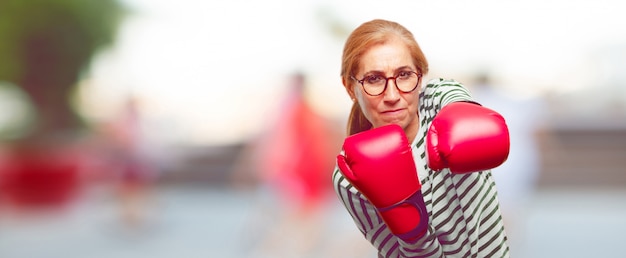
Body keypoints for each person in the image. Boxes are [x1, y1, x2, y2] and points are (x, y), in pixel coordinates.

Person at [332, 19, 511, 257]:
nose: (393, 95)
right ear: (349, 87)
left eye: (404, 75)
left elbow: (454, 96)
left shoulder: (439, 101)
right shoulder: (350, 177)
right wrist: (412, 231)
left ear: (421, 76)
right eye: (374, 79)